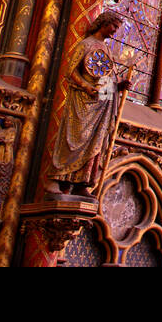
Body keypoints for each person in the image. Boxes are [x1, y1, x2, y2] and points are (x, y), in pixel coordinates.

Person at [47, 12, 132, 195]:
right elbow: (71, 71)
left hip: (101, 103)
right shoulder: (85, 45)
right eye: (114, 27)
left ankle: (82, 183)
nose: (115, 31)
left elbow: (105, 79)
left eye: (117, 28)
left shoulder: (106, 49)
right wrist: (86, 87)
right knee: (74, 138)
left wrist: (118, 86)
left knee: (96, 142)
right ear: (104, 23)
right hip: (83, 102)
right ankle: (62, 180)